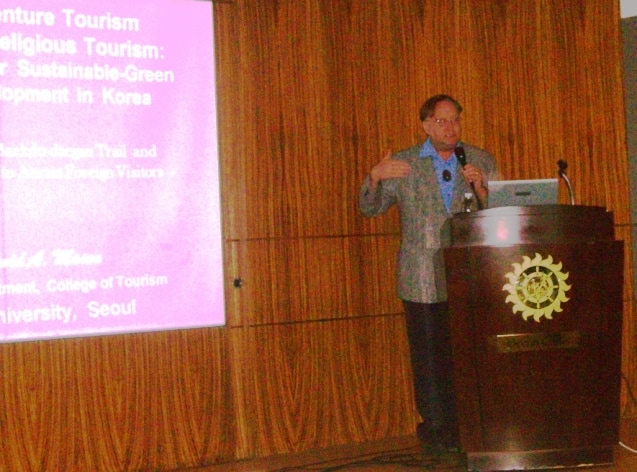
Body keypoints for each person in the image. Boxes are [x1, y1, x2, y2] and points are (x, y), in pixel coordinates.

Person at [359, 94, 498, 451]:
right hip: (420, 273)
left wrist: (484, 191)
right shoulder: (404, 163)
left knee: (469, 354)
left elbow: (501, 214)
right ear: (425, 126)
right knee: (429, 356)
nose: (451, 128)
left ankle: (471, 425)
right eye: (442, 121)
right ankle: (437, 429)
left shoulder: (480, 160)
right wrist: (374, 177)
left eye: (455, 120)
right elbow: (370, 209)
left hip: (468, 274)